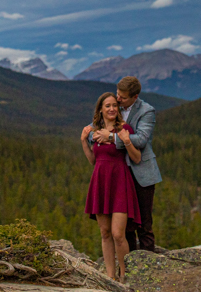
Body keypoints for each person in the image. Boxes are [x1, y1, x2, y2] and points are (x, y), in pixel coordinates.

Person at [90, 76, 162, 253]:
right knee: (125, 224)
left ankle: (148, 268)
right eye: (117, 94)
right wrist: (92, 134)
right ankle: (128, 265)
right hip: (120, 174)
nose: (118, 99)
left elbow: (142, 139)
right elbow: (100, 124)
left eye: (122, 97)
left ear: (135, 97)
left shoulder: (147, 111)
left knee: (144, 224)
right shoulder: (117, 108)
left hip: (142, 174)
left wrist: (111, 137)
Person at [81, 92, 142, 282]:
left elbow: (137, 157)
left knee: (118, 234)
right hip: (100, 181)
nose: (112, 109)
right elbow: (93, 160)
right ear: (100, 109)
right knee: (105, 233)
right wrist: (84, 140)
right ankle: (110, 276)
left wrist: (125, 140)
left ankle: (124, 275)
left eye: (114, 105)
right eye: (107, 106)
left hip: (120, 182)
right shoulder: (95, 131)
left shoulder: (125, 129)